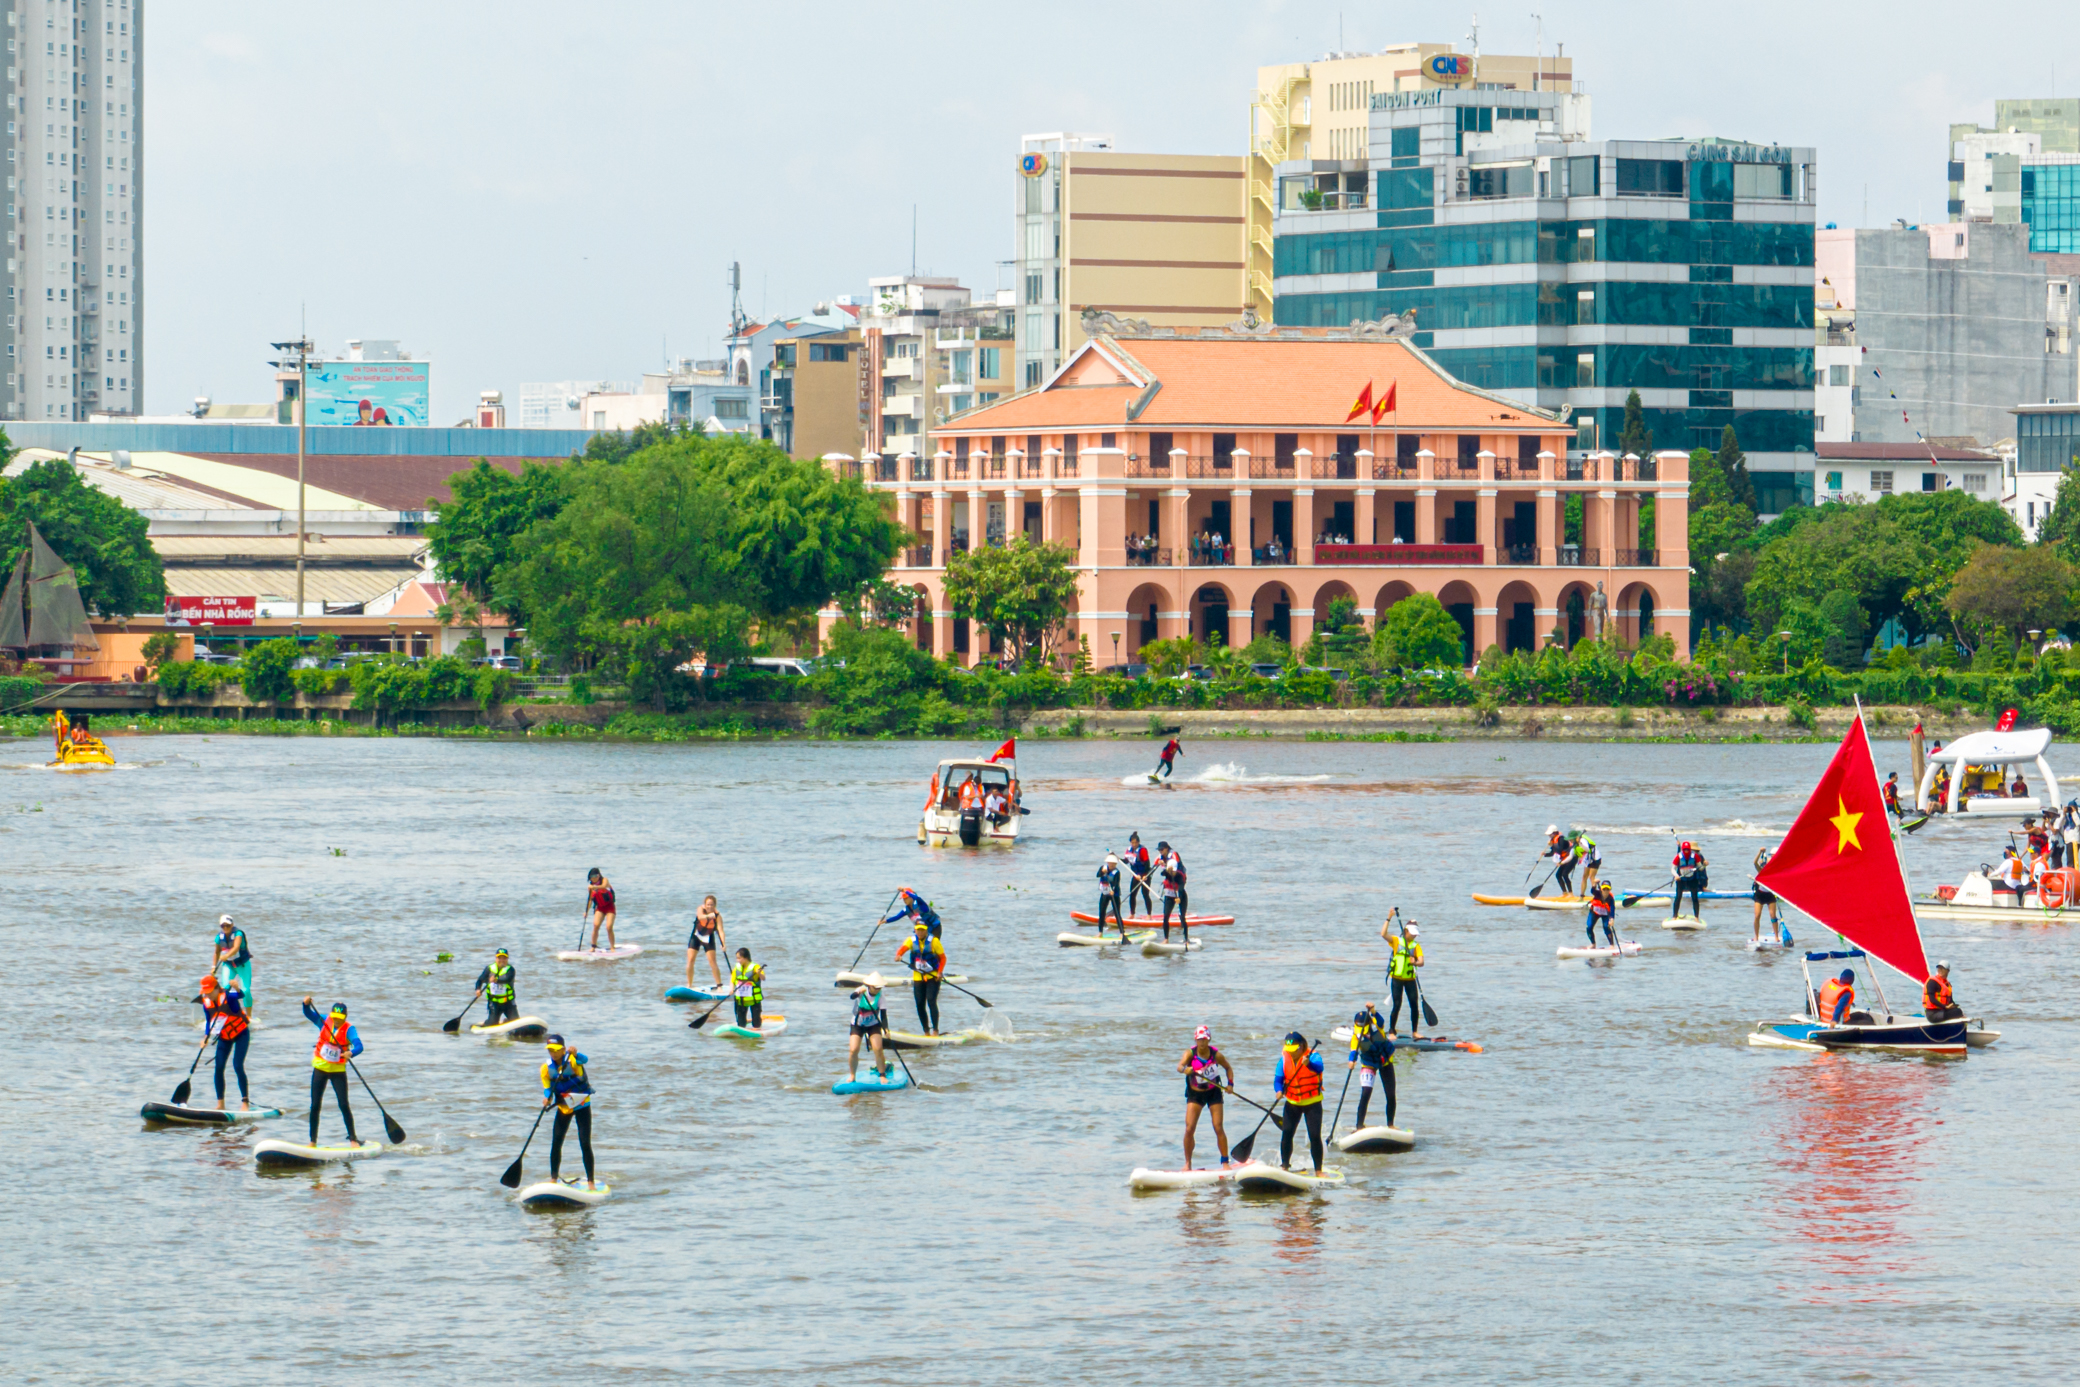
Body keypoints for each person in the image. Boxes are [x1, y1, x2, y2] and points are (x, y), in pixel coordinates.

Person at [300, 996, 363, 1146]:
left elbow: (359, 1045)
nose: (337, 1020)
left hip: (338, 1071)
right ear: (331, 1014)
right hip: (320, 1068)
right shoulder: (324, 1021)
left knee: (343, 1104)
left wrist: (351, 1053)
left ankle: (353, 1139)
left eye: (340, 1018)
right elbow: (308, 1014)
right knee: (315, 1105)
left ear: (345, 1017)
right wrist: (305, 1004)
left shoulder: (349, 1029)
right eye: (335, 1017)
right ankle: (312, 1141)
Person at [540, 1034, 597, 1189]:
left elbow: (585, 1060)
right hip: (564, 1106)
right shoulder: (546, 1069)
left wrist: (576, 1053)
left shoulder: (572, 1059)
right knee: (556, 1141)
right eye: (550, 1050)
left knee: (585, 1142)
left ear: (563, 1049)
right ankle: (553, 1178)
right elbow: (548, 1089)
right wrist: (547, 1099)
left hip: (581, 1104)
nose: (553, 1053)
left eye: (556, 1050)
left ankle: (590, 1181)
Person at [1176, 1025, 1233, 1169]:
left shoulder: (1215, 1055)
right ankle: (1188, 1163)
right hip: (1195, 1094)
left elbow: (1228, 1068)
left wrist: (1230, 1084)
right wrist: (1185, 1069)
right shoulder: (1190, 1053)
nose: (1202, 1043)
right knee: (1189, 1128)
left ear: (1209, 1040)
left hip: (1214, 1092)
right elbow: (1179, 1066)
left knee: (1218, 1126)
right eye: (1200, 1040)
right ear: (1195, 1039)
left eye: (1205, 1040)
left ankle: (1225, 1162)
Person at [1271, 1033, 1326, 1176]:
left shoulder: (1313, 1056)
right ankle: (1284, 1167)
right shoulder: (1283, 1060)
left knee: (1314, 1136)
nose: (1291, 1052)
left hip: (1312, 1103)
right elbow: (1278, 1080)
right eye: (1289, 1049)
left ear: (1302, 1047)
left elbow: (1319, 1068)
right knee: (1287, 1133)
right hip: (1292, 1103)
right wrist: (1278, 1091)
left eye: (1294, 1049)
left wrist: (1309, 1064)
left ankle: (1318, 1170)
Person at [199, 976, 252, 1112]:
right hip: (224, 1036)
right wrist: (206, 1037)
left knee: (237, 1065)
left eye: (210, 991)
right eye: (205, 992)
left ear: (217, 989)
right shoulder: (206, 1003)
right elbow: (209, 1021)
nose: (207, 995)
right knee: (219, 1067)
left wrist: (237, 987)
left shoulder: (228, 997)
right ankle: (220, 1104)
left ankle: (245, 1103)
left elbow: (241, 995)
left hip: (241, 1033)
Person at [1347, 1006, 1397, 1132]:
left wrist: (1373, 1011)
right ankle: (1359, 1126)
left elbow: (1381, 1021)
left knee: (1390, 1094)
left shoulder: (1377, 1025)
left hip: (1385, 1061)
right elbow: (1354, 1050)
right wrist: (1351, 1061)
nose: (1361, 1031)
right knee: (1365, 1093)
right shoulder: (1356, 1036)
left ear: (1369, 1023)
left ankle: (1390, 1124)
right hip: (1369, 1063)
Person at [893, 921, 946, 1036]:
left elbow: (943, 958)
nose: (920, 932)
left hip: (933, 976)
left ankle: (935, 1030)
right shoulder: (911, 940)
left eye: (922, 930)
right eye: (918, 929)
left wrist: (940, 972)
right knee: (919, 1003)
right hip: (918, 977)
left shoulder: (934, 941)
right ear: (915, 930)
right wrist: (899, 955)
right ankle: (926, 1031)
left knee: (931, 1001)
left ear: (926, 930)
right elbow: (902, 949)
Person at [845, 973, 892, 1083]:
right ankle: (852, 1075)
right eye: (876, 988)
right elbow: (852, 997)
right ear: (869, 986)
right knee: (853, 1050)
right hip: (858, 1024)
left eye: (879, 988)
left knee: (878, 1049)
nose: (877, 990)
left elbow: (884, 1015)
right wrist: (858, 992)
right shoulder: (862, 990)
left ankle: (882, 1075)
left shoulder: (881, 997)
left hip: (873, 1025)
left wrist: (886, 1029)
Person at [1382, 916, 1424, 1039]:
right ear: (1406, 931)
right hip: (1397, 979)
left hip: (1410, 980)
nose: (1415, 936)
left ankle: (1415, 1032)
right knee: (1397, 1004)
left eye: (1416, 934)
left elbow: (1421, 962)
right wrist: (1388, 918)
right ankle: (1391, 1031)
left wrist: (1415, 962)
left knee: (1414, 1005)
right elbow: (1383, 934)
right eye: (1413, 933)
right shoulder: (1396, 941)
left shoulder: (1416, 946)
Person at [212, 915, 253, 1020]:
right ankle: (232, 1013)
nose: (225, 928)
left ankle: (249, 1016)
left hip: (242, 964)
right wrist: (213, 967)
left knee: (246, 990)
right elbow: (217, 952)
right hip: (229, 965)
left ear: (232, 925)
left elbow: (236, 948)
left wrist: (226, 956)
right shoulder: (218, 937)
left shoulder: (238, 934)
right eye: (223, 926)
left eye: (228, 925)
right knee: (226, 990)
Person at [687, 896, 726, 989]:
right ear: (705, 905)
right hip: (696, 936)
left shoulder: (718, 916)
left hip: (708, 938)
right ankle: (689, 984)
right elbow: (700, 917)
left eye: (712, 905)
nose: (710, 907)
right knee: (690, 960)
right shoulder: (700, 909)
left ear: (715, 905)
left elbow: (720, 931)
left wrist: (723, 944)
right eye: (708, 905)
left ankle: (719, 986)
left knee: (712, 962)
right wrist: (709, 916)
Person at [1750, 850, 1788, 945]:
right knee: (1757, 916)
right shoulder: (1761, 871)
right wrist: (1759, 852)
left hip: (1770, 895)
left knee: (1773, 916)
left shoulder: (1774, 872)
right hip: (1759, 895)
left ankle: (1776, 937)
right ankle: (1756, 936)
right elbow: (1755, 863)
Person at [477, 949, 518, 1027]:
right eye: (499, 958)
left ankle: (507, 1021)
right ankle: (487, 1023)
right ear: (496, 958)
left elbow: (507, 979)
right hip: (494, 1003)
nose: (502, 960)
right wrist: (478, 989)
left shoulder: (510, 970)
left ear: (507, 959)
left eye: (504, 958)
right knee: (492, 1024)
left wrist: (496, 980)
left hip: (508, 1002)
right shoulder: (489, 969)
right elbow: (480, 980)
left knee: (516, 1022)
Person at [1158, 842, 1190, 941]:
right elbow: (1161, 873)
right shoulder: (1167, 872)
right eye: (1171, 871)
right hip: (1169, 896)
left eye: (1174, 871)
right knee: (1165, 917)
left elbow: (1181, 888)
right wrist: (1165, 867)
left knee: (1182, 917)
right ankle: (1166, 939)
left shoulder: (1180, 876)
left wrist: (1179, 898)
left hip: (1180, 897)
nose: (1173, 873)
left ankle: (1186, 938)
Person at [729, 948, 766, 1031]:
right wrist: (731, 989)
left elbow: (763, 978)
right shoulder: (737, 967)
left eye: (739, 958)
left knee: (756, 1023)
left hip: (753, 1000)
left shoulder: (755, 967)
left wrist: (759, 973)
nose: (737, 960)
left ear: (745, 958)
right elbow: (732, 980)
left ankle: (756, 1037)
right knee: (741, 1024)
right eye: (737, 958)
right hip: (741, 999)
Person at [1672, 840, 1709, 919]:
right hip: (1681, 880)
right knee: (1678, 897)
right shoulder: (1678, 856)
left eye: (1687, 850)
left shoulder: (1695, 856)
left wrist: (1704, 865)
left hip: (1692, 879)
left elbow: (1701, 868)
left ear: (1689, 849)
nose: (1686, 851)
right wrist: (1676, 875)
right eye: (1684, 850)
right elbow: (1672, 869)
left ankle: (1696, 917)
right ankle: (1674, 916)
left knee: (1695, 898)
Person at [1095, 853, 1127, 940]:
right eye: (1110, 863)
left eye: (1113, 863)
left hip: (1114, 894)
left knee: (1117, 913)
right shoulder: (1103, 868)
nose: (1111, 865)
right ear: (1107, 862)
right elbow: (1097, 875)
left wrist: (1113, 889)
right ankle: (1100, 932)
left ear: (1116, 864)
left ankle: (1122, 932)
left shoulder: (1117, 872)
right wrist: (1102, 872)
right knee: (1101, 912)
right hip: (1105, 893)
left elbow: (1116, 883)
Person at [585, 868, 617, 951]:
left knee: (609, 927)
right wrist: (586, 912)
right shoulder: (591, 887)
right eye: (592, 877)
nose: (594, 878)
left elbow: (604, 886)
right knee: (596, 925)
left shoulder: (604, 880)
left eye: (595, 876)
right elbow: (590, 900)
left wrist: (594, 887)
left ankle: (612, 947)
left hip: (610, 907)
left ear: (599, 875)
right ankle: (593, 946)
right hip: (600, 908)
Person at [1124, 832, 1156, 916]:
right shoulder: (1128, 850)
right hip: (1135, 875)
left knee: (1145, 894)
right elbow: (1126, 861)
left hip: (1145, 875)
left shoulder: (1142, 850)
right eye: (1132, 843)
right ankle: (1132, 914)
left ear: (1138, 842)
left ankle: (1149, 915)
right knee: (1132, 894)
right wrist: (1117, 858)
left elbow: (1147, 863)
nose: (1134, 844)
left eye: (1135, 843)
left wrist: (1144, 875)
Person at [1542, 825, 1578, 896]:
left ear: (1555, 833)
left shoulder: (1561, 839)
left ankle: (1571, 893)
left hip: (1572, 858)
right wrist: (1545, 854)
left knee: (1564, 874)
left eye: (1550, 834)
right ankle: (1565, 893)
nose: (1549, 836)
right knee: (1558, 875)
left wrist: (1552, 845)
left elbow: (1560, 849)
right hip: (1564, 859)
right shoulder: (1553, 840)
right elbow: (1553, 852)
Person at [1584, 883, 1618, 950]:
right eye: (1604, 889)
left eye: (1607, 889)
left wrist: (1612, 919)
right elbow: (1592, 891)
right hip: (1595, 912)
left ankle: (1611, 945)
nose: (1605, 891)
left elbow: (1612, 909)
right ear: (1601, 889)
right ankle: (1593, 944)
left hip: (1605, 914)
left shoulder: (1610, 899)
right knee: (1589, 927)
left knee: (1606, 927)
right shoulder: (1597, 894)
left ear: (1610, 890)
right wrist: (1594, 883)